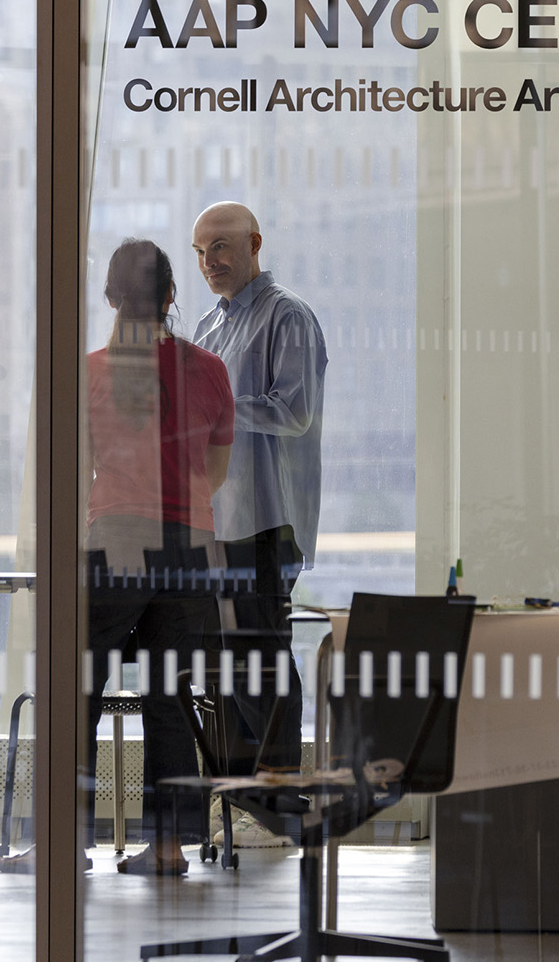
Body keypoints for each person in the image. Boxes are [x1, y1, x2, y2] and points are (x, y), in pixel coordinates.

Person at [0, 238, 234, 877]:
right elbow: (215, 472)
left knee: (76, 691)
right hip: (190, 549)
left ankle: (63, 844)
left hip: (115, 543)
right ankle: (168, 847)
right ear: (173, 296)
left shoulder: (88, 372)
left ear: (109, 298)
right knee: (171, 695)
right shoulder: (210, 370)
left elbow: (72, 476)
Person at [190, 201, 328, 840]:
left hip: (266, 522)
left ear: (254, 243)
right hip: (213, 523)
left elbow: (293, 411)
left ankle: (281, 812)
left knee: (261, 661)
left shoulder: (287, 316)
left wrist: (211, 406)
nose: (209, 261)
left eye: (220, 246)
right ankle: (252, 808)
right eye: (199, 252)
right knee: (225, 666)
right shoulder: (209, 325)